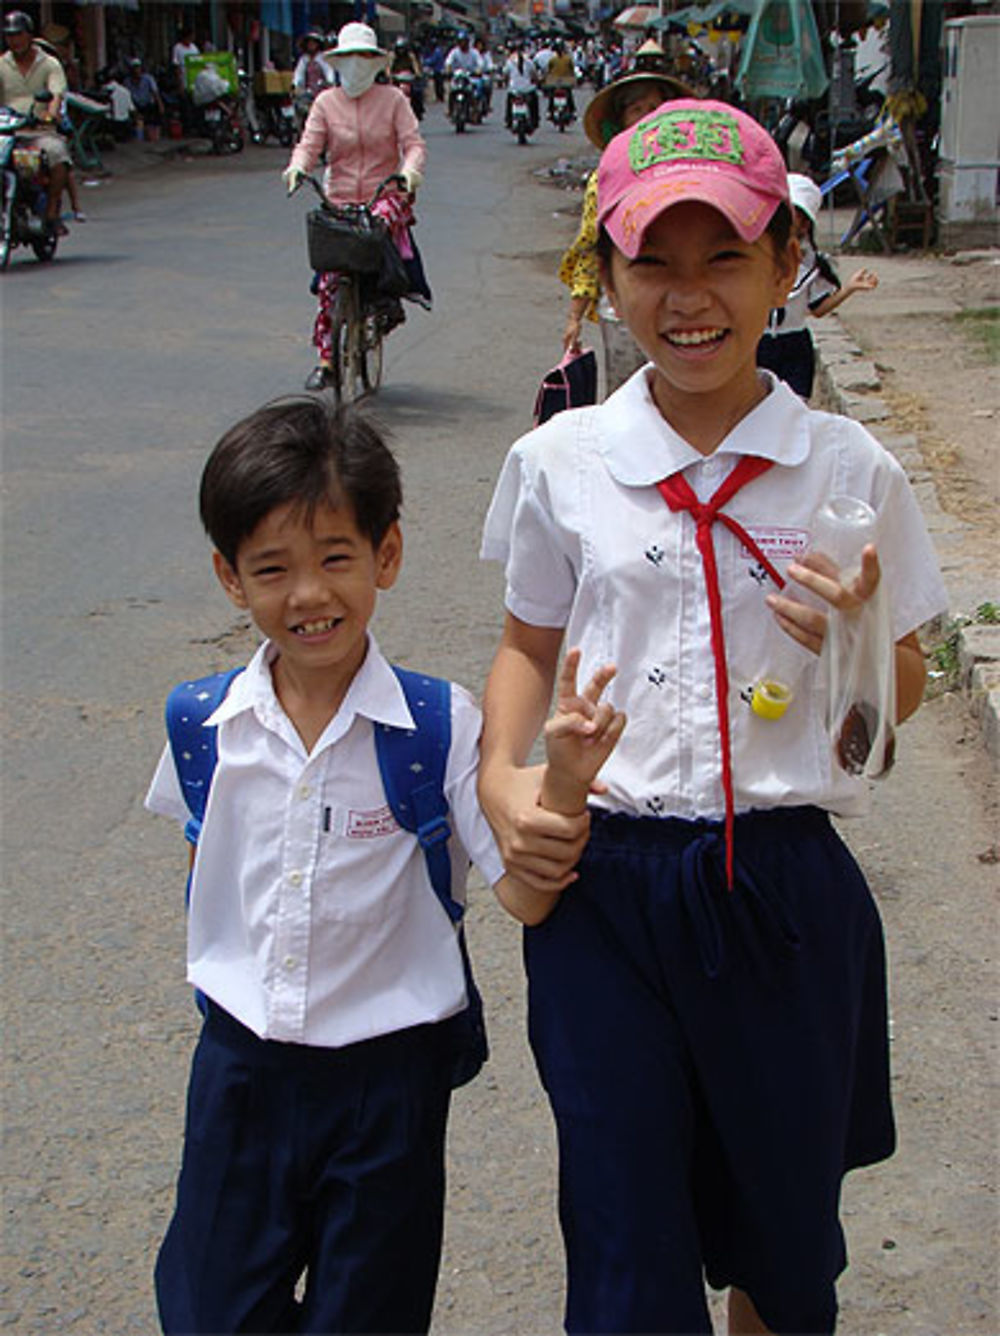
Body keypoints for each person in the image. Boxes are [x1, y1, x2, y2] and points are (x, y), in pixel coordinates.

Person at [478, 99, 948, 1336]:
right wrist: (498, 777)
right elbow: (527, 641)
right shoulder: (562, 460)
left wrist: (852, 643)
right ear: (609, 275)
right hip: (607, 899)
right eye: (654, 264)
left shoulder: (850, 470)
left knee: (785, 1250)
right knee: (625, 1241)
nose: (689, 299)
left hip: (783, 889)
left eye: (724, 259)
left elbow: (899, 691)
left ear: (784, 267)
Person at [145, 393, 622, 1334]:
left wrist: (562, 782)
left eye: (336, 559)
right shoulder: (202, 725)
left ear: (387, 556)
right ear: (229, 578)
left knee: (369, 1317)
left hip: (387, 1093)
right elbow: (204, 862)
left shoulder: (438, 730)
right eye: (271, 569)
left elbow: (524, 899)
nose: (308, 595)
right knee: (208, 1309)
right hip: (239, 1073)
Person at [281, 22, 429, 392]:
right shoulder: (326, 103)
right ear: (339, 61)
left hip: (384, 193)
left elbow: (413, 145)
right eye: (349, 57)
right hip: (341, 195)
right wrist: (298, 167)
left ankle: (385, 301)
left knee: (381, 226)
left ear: (375, 60)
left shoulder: (394, 100)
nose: (356, 64)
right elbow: (310, 144)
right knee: (330, 281)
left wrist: (409, 174)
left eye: (363, 56)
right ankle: (327, 360)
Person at [559, 48, 693, 391]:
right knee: (629, 400)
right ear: (621, 123)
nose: (648, 118)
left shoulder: (692, 173)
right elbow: (591, 249)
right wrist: (575, 316)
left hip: (686, 305)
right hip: (623, 310)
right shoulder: (605, 179)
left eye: (656, 109)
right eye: (637, 110)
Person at [757, 172, 880, 399]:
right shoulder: (755, 257)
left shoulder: (811, 264)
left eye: (796, 216)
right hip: (758, 342)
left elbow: (818, 309)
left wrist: (848, 289)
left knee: (795, 408)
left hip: (794, 344)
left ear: (805, 224)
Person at [0, 10, 71, 233]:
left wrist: (51, 114)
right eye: (10, 35)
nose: (15, 40)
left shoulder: (49, 64)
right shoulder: (2, 64)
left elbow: (56, 92)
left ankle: (51, 212)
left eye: (19, 34)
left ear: (29, 35)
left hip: (37, 131)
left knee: (57, 155)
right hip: (6, 132)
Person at [124, 55, 164, 142]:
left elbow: (155, 92)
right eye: (134, 68)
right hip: (135, 105)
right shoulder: (127, 81)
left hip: (147, 104)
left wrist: (160, 105)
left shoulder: (148, 78)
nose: (136, 71)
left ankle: (152, 134)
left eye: (138, 68)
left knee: (154, 114)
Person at [502, 40, 538, 133]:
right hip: (527, 89)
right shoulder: (529, 61)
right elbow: (534, 75)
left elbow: (505, 75)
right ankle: (535, 120)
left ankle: (508, 120)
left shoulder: (510, 61)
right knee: (534, 102)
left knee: (509, 102)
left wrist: (506, 83)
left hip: (514, 89)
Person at [292, 29, 334, 98]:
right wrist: (296, 85)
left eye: (313, 43)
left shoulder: (323, 58)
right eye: (309, 43)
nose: (311, 45)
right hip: (308, 93)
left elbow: (329, 72)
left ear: (318, 44)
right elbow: (299, 74)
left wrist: (329, 82)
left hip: (322, 92)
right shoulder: (304, 59)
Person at [542, 39, 576, 120]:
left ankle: (550, 111)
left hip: (554, 81)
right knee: (569, 95)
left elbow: (549, 70)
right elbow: (572, 70)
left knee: (551, 95)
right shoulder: (568, 59)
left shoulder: (552, 59)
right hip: (566, 81)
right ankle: (572, 111)